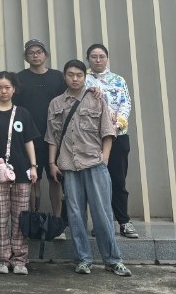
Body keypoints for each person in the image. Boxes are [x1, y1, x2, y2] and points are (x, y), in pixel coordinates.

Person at [46, 60, 132, 276]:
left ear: (85, 77)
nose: (75, 79)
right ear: (64, 77)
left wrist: (104, 159)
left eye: (79, 75)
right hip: (68, 165)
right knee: (75, 215)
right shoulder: (56, 103)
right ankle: (83, 259)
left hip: (95, 164)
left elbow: (108, 132)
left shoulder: (97, 98)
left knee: (102, 213)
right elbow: (52, 137)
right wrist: (52, 163)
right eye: (70, 75)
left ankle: (113, 260)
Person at [0, 71, 39, 275]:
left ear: (14, 89)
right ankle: (3, 258)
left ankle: (20, 258)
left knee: (20, 216)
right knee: (0, 216)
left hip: (21, 171)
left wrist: (33, 166)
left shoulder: (23, 113)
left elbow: (29, 141)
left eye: (7, 87)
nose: (3, 91)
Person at [84, 44, 137, 239]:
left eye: (101, 56)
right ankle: (101, 223)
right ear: (88, 59)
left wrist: (117, 124)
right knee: (97, 182)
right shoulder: (83, 80)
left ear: (107, 58)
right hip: (92, 138)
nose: (98, 60)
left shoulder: (118, 80)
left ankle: (124, 221)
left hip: (118, 136)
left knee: (118, 180)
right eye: (94, 56)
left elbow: (126, 104)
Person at [14, 39, 66, 224]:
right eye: (31, 52)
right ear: (26, 57)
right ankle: (32, 220)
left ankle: (58, 221)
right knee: (31, 180)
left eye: (39, 52)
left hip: (54, 138)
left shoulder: (58, 77)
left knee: (55, 179)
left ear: (46, 55)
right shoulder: (19, 78)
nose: (35, 55)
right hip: (28, 138)